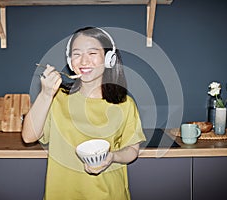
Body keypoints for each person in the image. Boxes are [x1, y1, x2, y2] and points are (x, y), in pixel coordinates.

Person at [22, 27, 146, 200]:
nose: (83, 61)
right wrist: (45, 94)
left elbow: (132, 150)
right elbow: (29, 137)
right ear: (70, 60)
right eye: (77, 54)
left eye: (92, 53)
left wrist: (112, 157)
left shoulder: (124, 104)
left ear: (109, 59)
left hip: (109, 194)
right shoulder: (55, 97)